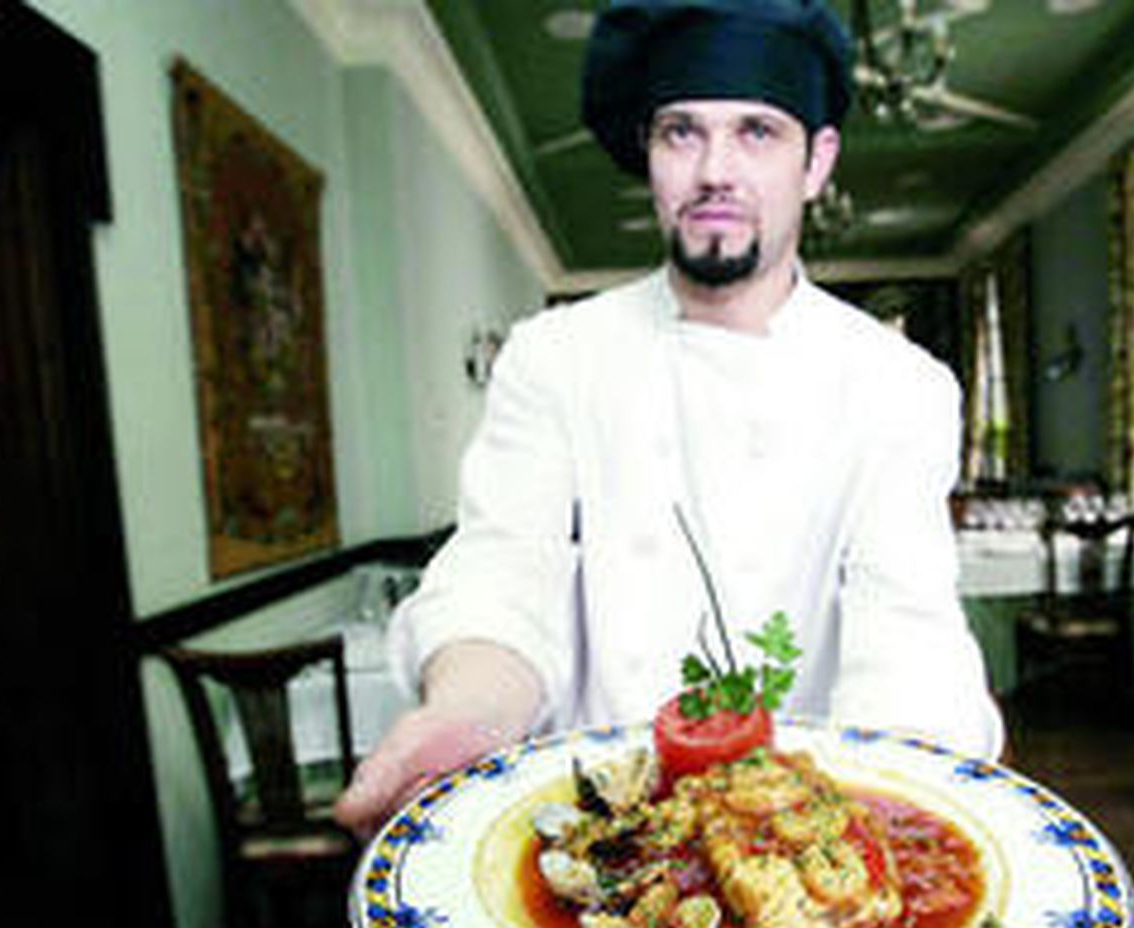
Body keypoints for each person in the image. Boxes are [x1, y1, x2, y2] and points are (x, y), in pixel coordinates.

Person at [335, 0, 1005, 837]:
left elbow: (906, 625)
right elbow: (505, 570)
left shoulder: (900, 384)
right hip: (599, 821)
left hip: (810, 821)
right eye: (682, 132)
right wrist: (466, 713)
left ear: (817, 162)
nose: (715, 170)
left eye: (757, 132)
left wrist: (892, 802)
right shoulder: (554, 355)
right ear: (648, 154)